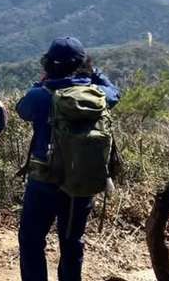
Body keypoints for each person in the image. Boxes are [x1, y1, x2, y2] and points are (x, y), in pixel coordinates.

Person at [16, 36, 121, 281]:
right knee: (72, 242)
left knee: (31, 240)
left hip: (44, 179)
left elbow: (22, 109)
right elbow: (116, 93)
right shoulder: (99, 95)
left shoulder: (41, 95)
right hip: (82, 181)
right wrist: (94, 73)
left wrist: (42, 82)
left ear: (49, 64)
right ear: (83, 63)